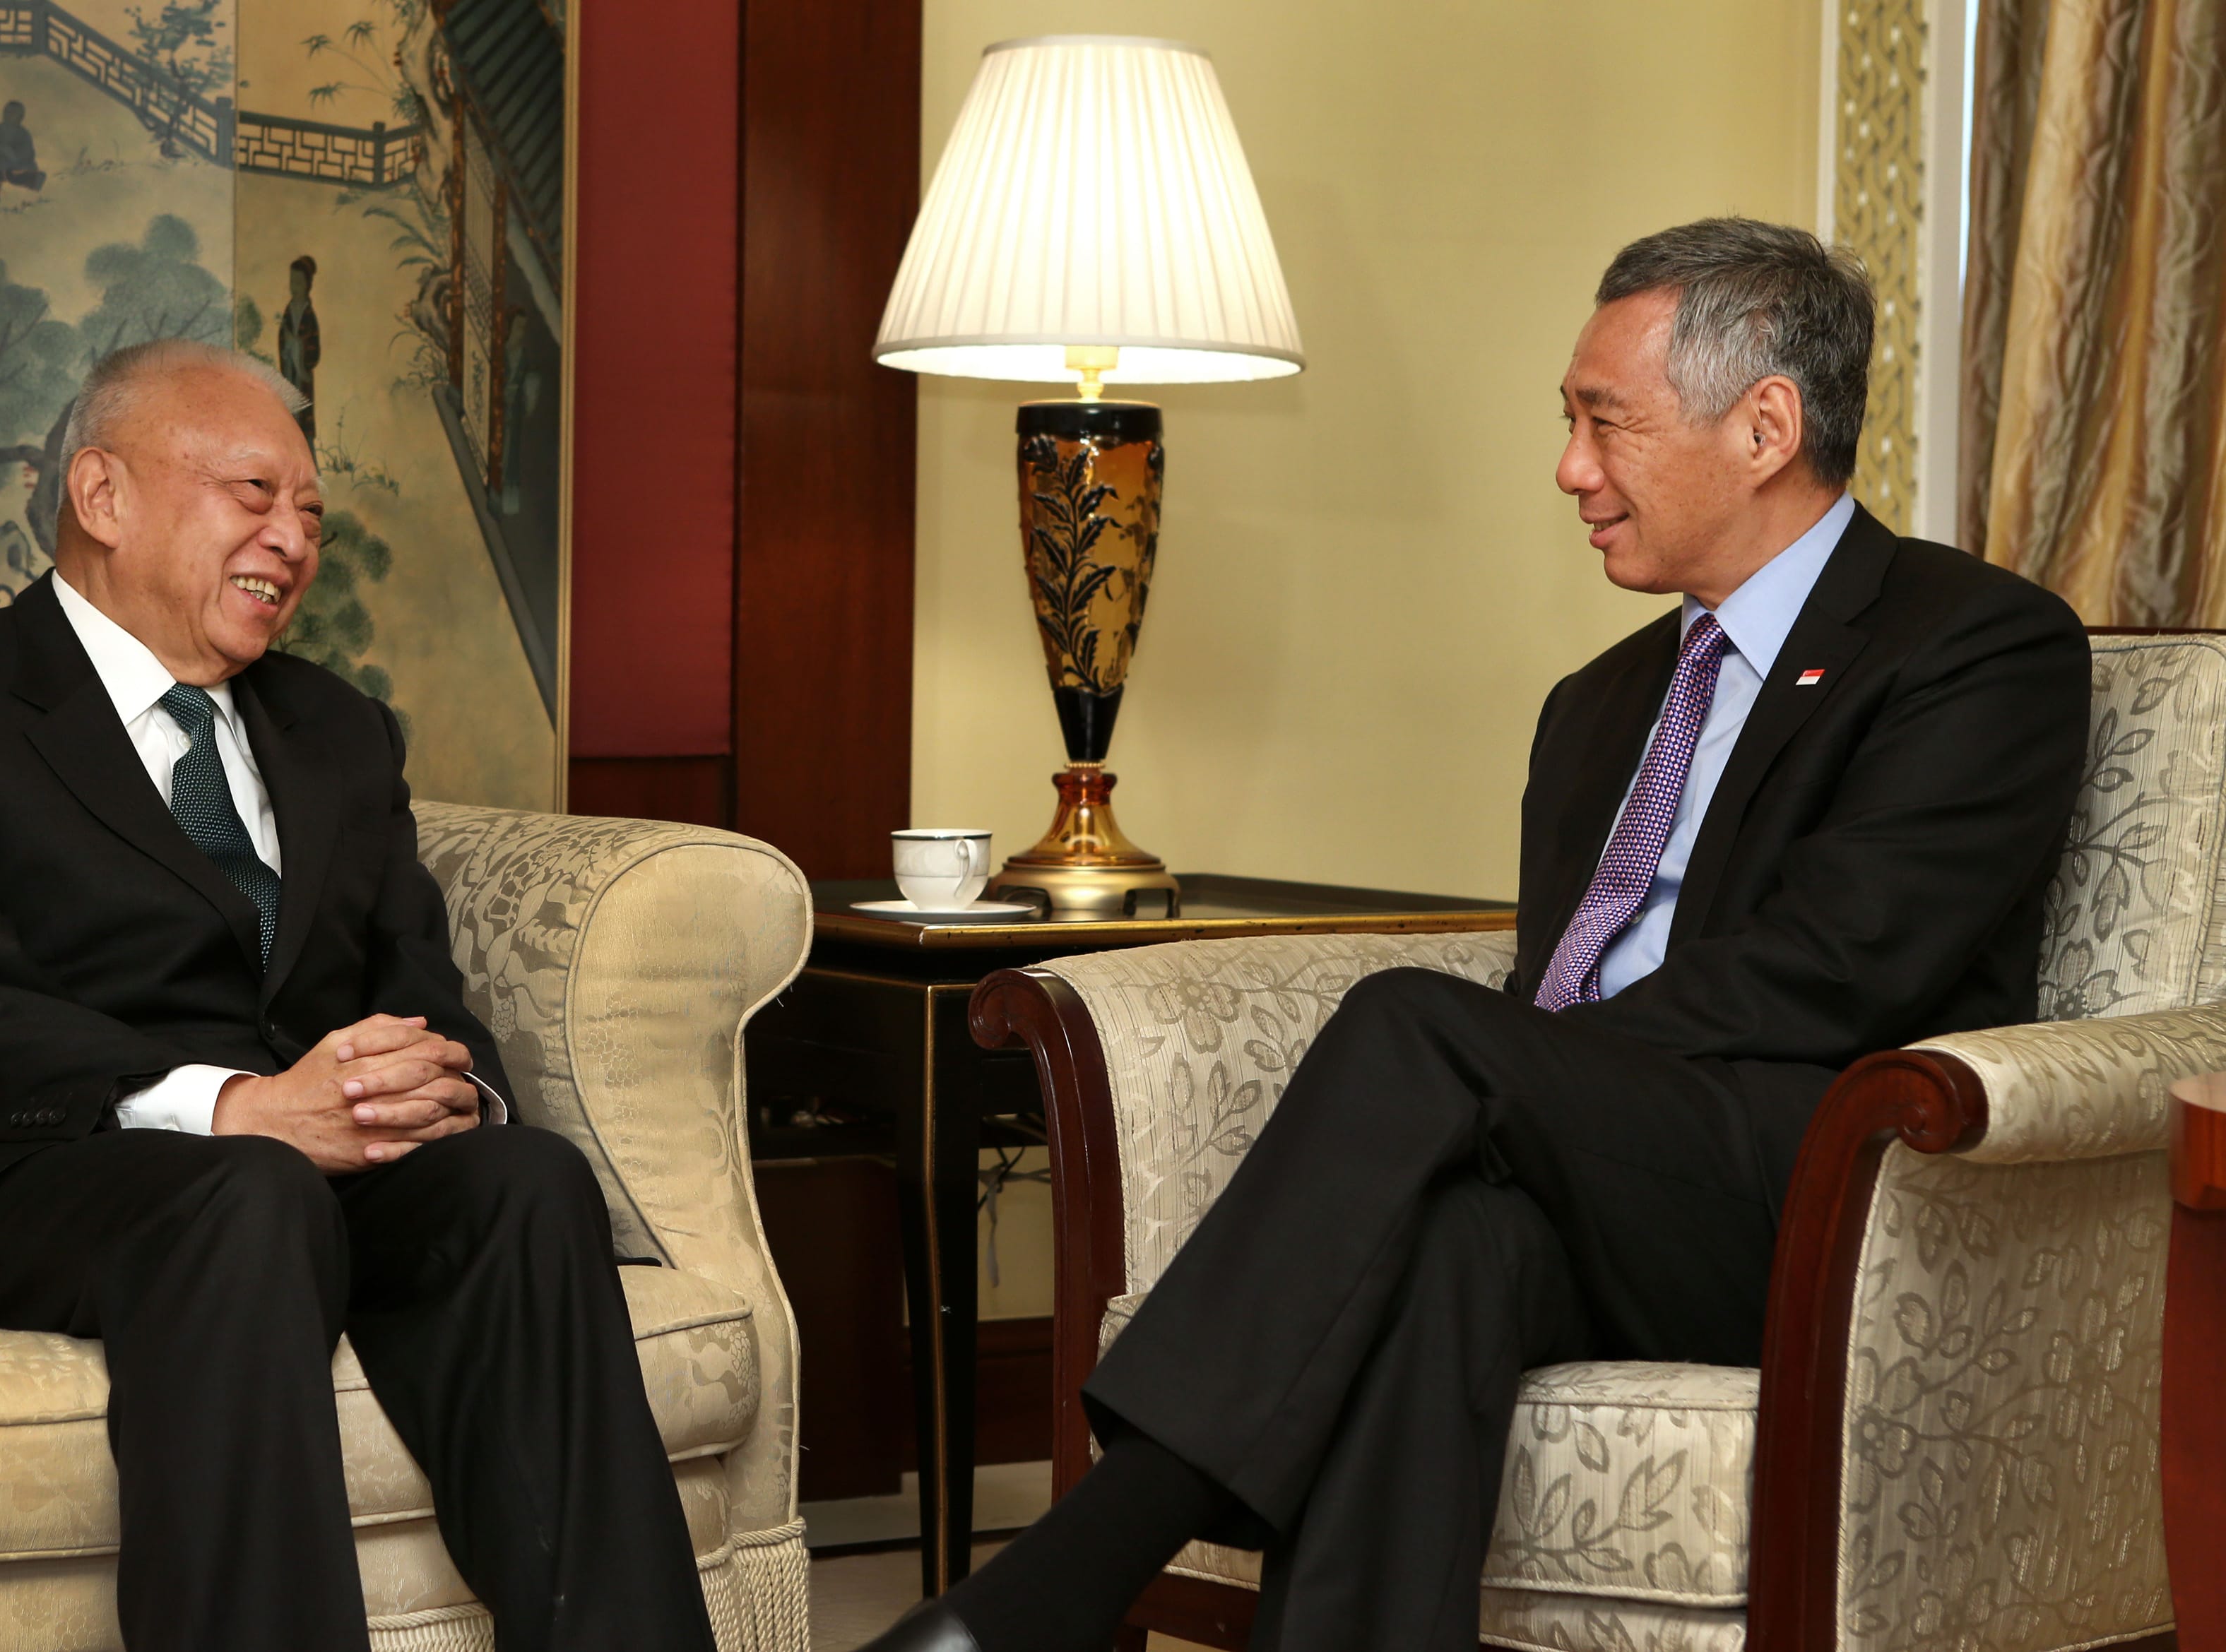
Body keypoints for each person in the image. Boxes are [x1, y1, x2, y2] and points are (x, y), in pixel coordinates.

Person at [863, 219, 2091, 1652]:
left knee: (1418, 1025)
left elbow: (1845, 966)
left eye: (1605, 422)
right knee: (1455, 1242)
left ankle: (1064, 1575)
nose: (1572, 469)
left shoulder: (1976, 644)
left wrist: (1520, 1070)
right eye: (1569, 423)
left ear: (1767, 424)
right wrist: (1523, 1091)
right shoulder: (1599, 702)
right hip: (1597, 1168)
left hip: (1815, 1180)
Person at [0, 339, 715, 1652]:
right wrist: (236, 1107)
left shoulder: (336, 725)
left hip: (304, 1171)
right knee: (251, 1187)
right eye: (254, 494)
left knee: (523, 1180)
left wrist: (434, 1084)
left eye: (312, 515)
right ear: (103, 497)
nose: (294, 537)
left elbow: (414, 974)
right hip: (21, 1168)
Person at [278, 254, 321, 442]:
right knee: (288, 418)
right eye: (291, 281)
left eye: (298, 282)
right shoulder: (289, 312)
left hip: (302, 375)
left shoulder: (309, 315)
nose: (293, 287)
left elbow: (314, 350)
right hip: (290, 372)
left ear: (307, 285)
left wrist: (297, 345)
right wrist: (288, 345)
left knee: (303, 421)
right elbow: (283, 338)